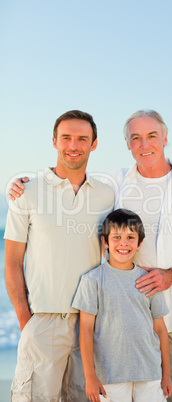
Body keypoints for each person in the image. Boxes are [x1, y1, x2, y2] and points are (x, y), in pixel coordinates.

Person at [7, 109, 172, 402]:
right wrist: (16, 183)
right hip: (97, 319)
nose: (144, 144)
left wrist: (171, 276)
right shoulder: (112, 185)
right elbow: (13, 257)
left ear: (165, 138)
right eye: (135, 138)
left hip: (169, 315)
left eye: (151, 136)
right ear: (127, 143)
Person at [4, 110, 114, 401]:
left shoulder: (107, 195)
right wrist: (26, 320)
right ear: (54, 141)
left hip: (91, 323)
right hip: (43, 321)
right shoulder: (26, 192)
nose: (73, 145)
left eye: (82, 138)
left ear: (94, 144)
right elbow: (12, 260)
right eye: (66, 138)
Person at [72, 208, 172, 402]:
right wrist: (90, 376)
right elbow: (85, 329)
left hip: (150, 372)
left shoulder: (148, 280)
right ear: (105, 242)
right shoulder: (93, 280)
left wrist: (166, 375)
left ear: (139, 244)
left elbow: (160, 329)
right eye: (117, 237)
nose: (123, 243)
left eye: (130, 237)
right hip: (111, 375)